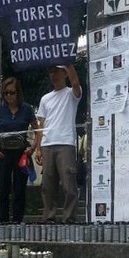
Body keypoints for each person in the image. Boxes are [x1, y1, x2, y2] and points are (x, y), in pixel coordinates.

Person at [0, 77, 39, 224]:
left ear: (18, 93)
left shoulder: (27, 109)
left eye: (12, 93)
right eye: (6, 93)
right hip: (3, 153)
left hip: (22, 152)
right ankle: (3, 221)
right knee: (3, 187)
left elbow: (38, 130)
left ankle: (17, 221)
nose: (9, 96)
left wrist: (33, 148)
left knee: (19, 188)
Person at [34, 65, 82, 223]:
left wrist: (68, 65)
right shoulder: (45, 98)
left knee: (69, 184)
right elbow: (41, 124)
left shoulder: (71, 94)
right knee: (47, 184)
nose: (53, 74)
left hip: (66, 143)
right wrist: (38, 148)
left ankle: (69, 218)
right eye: (51, 71)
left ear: (64, 74)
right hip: (48, 144)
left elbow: (75, 83)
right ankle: (49, 217)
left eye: (57, 71)